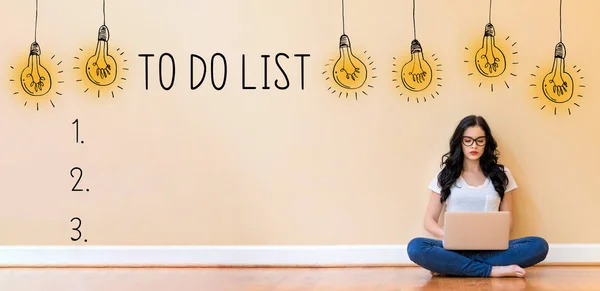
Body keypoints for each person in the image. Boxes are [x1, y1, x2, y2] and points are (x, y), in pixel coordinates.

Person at [407, 115, 549, 278]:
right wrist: (450, 237)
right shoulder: (445, 175)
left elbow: (508, 222)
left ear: (486, 142)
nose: (474, 145)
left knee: (539, 245)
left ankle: (454, 266)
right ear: (460, 141)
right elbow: (429, 221)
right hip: (453, 248)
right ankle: (491, 270)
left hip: (492, 249)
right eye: (468, 140)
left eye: (479, 140)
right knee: (416, 247)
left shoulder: (503, 174)